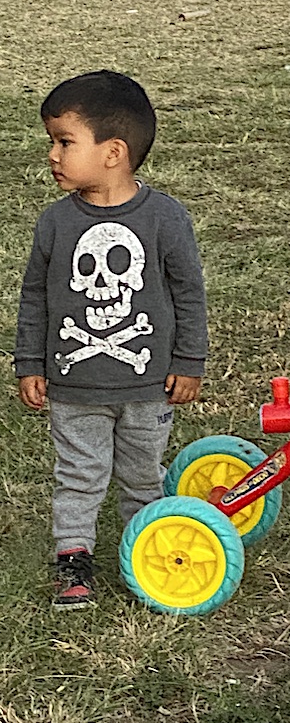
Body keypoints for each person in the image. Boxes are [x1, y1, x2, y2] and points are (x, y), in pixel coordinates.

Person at [14, 71, 208, 609]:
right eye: (53, 142)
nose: (52, 155)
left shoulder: (165, 218)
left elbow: (188, 293)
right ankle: (73, 561)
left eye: (64, 142)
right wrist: (29, 362)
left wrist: (189, 359)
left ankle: (147, 553)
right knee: (78, 476)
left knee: (143, 477)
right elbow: (35, 297)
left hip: (149, 385)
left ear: (113, 152)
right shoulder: (55, 223)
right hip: (74, 387)